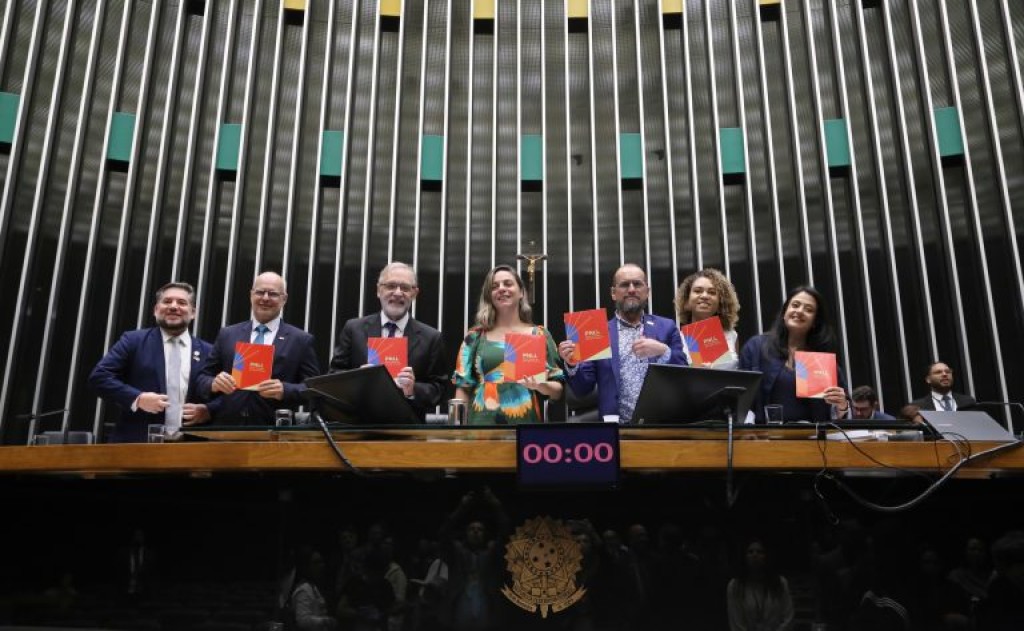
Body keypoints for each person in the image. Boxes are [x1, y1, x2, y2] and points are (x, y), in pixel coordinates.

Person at [557, 263, 687, 423]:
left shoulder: (666, 327)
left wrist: (663, 351)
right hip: (616, 427)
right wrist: (572, 364)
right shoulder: (597, 333)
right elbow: (582, 389)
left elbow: (683, 377)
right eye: (625, 285)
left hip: (661, 424)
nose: (631, 289)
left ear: (647, 292)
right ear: (613, 293)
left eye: (637, 284)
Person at [89, 282, 213, 442]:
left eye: (182, 303)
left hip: (192, 448)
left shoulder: (209, 351)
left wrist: (208, 410)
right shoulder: (133, 341)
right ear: (156, 310)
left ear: (193, 313)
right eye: (167, 301)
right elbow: (99, 377)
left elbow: (227, 396)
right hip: (138, 445)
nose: (173, 306)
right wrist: (138, 398)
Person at [197, 271, 321, 424]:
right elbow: (202, 378)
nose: (265, 298)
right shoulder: (227, 334)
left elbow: (314, 389)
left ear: (284, 299)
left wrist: (285, 390)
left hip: (275, 428)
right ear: (251, 295)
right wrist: (213, 384)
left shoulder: (300, 340)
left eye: (273, 294)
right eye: (260, 292)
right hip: (227, 427)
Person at [329, 262, 448, 420]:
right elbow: (334, 377)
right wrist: (358, 379)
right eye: (391, 286)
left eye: (405, 288)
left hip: (407, 430)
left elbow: (440, 391)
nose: (398, 293)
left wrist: (413, 389)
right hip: (359, 426)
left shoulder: (431, 338)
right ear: (379, 290)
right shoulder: (353, 329)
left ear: (414, 294)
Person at [452, 264, 564, 424]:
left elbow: (558, 391)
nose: (501, 289)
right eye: (494, 286)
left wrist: (541, 385)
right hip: (480, 427)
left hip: (526, 426)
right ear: (489, 295)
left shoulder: (539, 335)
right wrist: (458, 430)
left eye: (508, 284)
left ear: (521, 292)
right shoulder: (474, 337)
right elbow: (463, 387)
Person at [738, 286, 850, 423]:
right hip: (763, 433)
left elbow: (839, 414)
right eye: (795, 305)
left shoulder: (822, 360)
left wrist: (842, 405)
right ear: (784, 312)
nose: (800, 311)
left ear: (815, 322)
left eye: (808, 310)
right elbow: (740, 396)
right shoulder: (756, 347)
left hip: (811, 434)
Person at [674, 268, 741, 370]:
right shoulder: (677, 338)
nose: (705, 296)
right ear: (686, 301)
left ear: (721, 303)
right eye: (697, 291)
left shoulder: (731, 335)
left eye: (712, 292)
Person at [726, 538, 795, 631]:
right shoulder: (735, 586)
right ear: (744, 557)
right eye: (750, 552)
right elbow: (736, 623)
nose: (755, 555)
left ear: (766, 556)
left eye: (760, 552)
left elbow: (788, 618)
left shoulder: (780, 583)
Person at [909, 362, 976, 412]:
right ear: (928, 379)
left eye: (948, 372)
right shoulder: (919, 406)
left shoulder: (968, 402)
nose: (944, 374)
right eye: (938, 372)